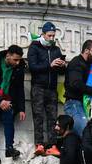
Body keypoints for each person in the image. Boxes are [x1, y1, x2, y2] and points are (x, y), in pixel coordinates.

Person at [26, 21, 66, 152]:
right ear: (43, 34)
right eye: (49, 35)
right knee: (38, 116)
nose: (52, 38)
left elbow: (61, 72)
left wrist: (62, 66)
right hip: (38, 87)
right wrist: (49, 65)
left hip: (52, 88)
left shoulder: (56, 49)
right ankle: (39, 144)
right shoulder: (34, 47)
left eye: (53, 36)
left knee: (52, 117)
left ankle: (52, 145)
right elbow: (32, 67)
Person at [62, 39, 92, 135]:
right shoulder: (77, 63)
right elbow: (75, 83)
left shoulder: (86, 65)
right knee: (85, 133)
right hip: (74, 104)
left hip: (79, 104)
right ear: (87, 50)